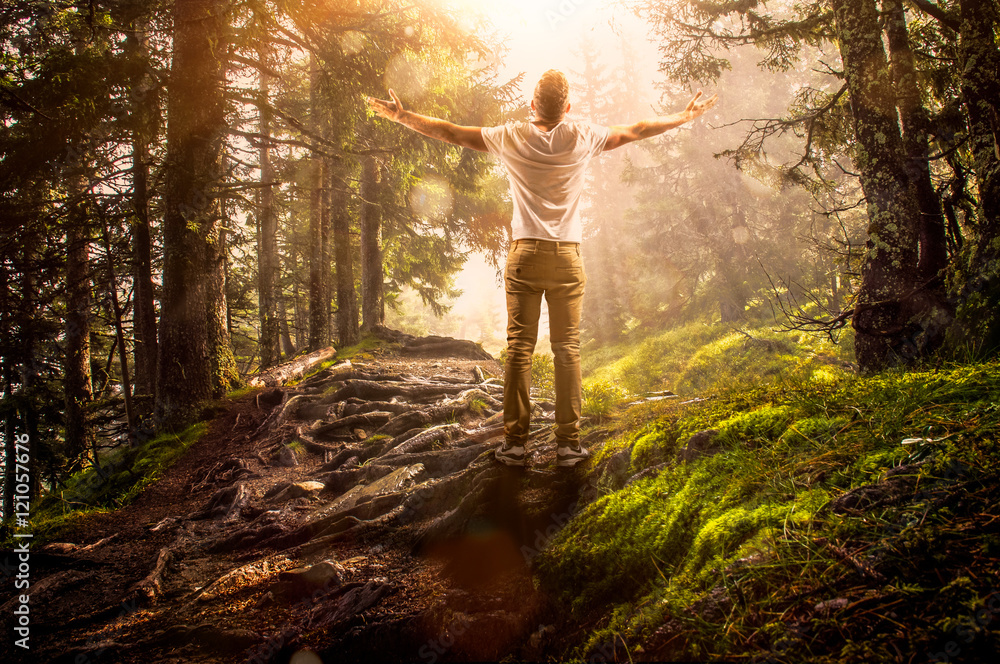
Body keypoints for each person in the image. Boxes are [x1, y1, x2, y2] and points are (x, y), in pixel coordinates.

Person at [368, 70, 717, 468]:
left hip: (525, 255)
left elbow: (451, 132)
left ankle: (515, 445)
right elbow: (637, 129)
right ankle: (568, 446)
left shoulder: (511, 136)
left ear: (532, 105)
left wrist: (403, 116)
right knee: (567, 349)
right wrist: (682, 117)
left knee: (519, 350)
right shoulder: (583, 136)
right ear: (567, 108)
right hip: (567, 256)